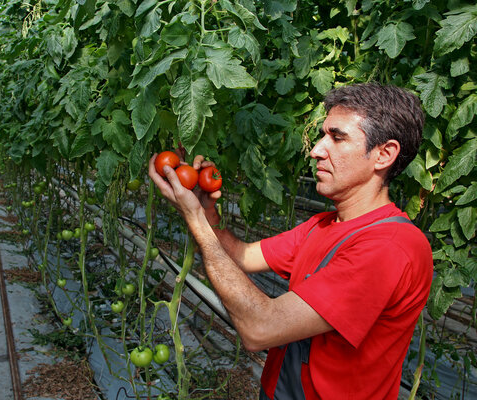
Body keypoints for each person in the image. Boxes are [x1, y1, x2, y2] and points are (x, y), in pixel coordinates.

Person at [148, 83, 433, 399]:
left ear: (384, 154)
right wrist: (205, 212)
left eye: (336, 138)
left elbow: (260, 328)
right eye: (323, 135)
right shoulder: (323, 226)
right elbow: (241, 256)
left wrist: (197, 224)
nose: (316, 150)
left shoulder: (390, 247)